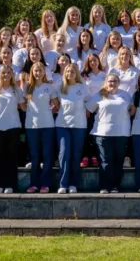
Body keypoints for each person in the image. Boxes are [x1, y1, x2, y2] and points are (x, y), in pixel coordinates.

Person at [86, 74, 132, 193]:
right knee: (105, 161)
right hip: (102, 133)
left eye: (115, 81)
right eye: (110, 81)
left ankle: (116, 186)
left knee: (118, 160)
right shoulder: (100, 95)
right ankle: (104, 186)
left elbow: (131, 111)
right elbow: (89, 110)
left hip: (122, 133)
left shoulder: (126, 95)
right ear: (106, 82)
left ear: (119, 82)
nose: (112, 83)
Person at [24, 62, 58, 193]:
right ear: (32, 72)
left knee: (47, 155)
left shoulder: (50, 87)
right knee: (35, 156)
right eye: (35, 71)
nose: (38, 73)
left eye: (40, 70)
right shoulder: (27, 86)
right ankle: (34, 184)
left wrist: (48, 112)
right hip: (31, 125)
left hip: (48, 125)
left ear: (44, 72)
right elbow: (22, 104)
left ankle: (45, 184)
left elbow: (56, 105)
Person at [0, 65, 25, 194]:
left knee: (11, 157)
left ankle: (11, 185)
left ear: (12, 75)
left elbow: (23, 107)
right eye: (3, 73)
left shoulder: (17, 90)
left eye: (8, 73)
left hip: (13, 126)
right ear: (0, 75)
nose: (6, 75)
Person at [55, 64, 88, 193]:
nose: (70, 73)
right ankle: (63, 184)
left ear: (76, 73)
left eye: (73, 71)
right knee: (64, 154)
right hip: (62, 125)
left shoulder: (82, 87)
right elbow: (57, 105)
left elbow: (90, 102)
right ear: (65, 73)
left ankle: (73, 183)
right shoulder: (60, 88)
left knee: (76, 154)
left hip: (79, 125)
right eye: (68, 71)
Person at [81, 54, 105, 168]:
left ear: (98, 61)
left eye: (95, 60)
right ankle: (86, 156)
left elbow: (105, 91)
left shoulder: (104, 75)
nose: (93, 63)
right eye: (91, 61)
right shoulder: (84, 76)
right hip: (87, 108)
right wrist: (88, 107)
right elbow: (83, 93)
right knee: (87, 133)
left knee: (97, 133)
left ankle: (95, 156)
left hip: (101, 109)